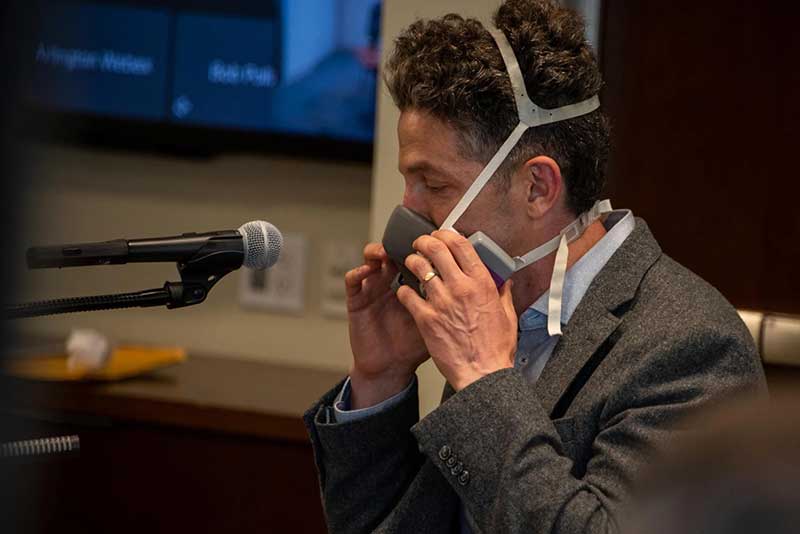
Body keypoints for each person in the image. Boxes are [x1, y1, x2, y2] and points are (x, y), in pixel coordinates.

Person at [304, 1, 766, 532]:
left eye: (433, 184)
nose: (408, 211)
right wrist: (380, 380)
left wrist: (484, 381)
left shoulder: (691, 347)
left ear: (537, 188)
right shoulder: (493, 307)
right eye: (410, 182)